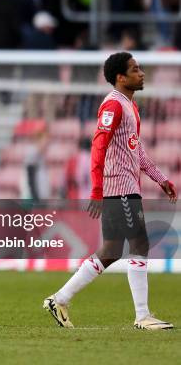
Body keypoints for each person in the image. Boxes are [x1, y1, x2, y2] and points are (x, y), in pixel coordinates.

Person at [43, 52, 177, 330]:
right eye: (135, 69)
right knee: (139, 245)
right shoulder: (113, 106)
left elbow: (136, 150)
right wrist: (96, 189)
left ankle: (60, 298)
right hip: (120, 187)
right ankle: (142, 316)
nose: (141, 73)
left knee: (112, 250)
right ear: (121, 77)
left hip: (126, 187)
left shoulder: (130, 106)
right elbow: (98, 145)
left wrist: (161, 178)